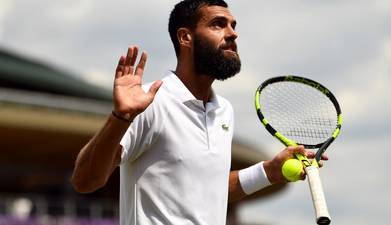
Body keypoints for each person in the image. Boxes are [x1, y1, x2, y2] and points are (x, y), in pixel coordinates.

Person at [71, 0, 327, 224]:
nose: (232, 34)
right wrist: (121, 117)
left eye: (233, 25)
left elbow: (206, 192)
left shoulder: (224, 110)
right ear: (186, 38)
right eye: (218, 24)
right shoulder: (151, 102)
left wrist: (269, 171)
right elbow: (85, 180)